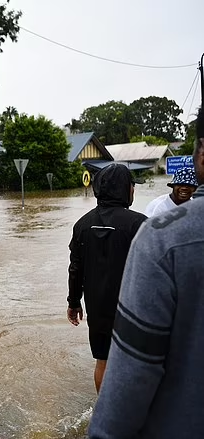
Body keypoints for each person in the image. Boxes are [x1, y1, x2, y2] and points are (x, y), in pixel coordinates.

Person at [88, 108, 204, 438]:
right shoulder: (153, 221)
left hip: (111, 298)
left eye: (188, 188)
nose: (184, 192)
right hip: (122, 296)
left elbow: (136, 370)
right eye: (179, 187)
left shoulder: (160, 233)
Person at [66, 163, 146, 393]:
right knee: (134, 361)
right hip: (133, 310)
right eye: (132, 186)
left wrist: (73, 302)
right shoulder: (139, 223)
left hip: (97, 309)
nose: (133, 191)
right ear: (124, 189)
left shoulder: (81, 225)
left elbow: (75, 268)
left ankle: (103, 411)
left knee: (103, 360)